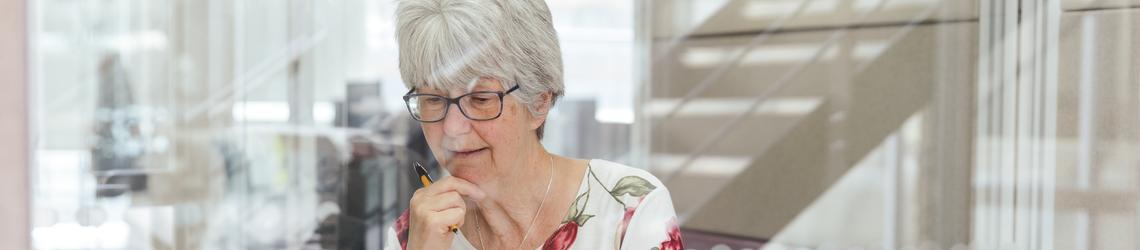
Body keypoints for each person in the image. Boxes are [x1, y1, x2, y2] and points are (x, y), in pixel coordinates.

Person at [385, 0, 683, 249]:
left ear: (539, 102)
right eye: (434, 100)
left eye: (480, 98)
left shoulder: (628, 208)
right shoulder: (415, 234)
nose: (452, 129)